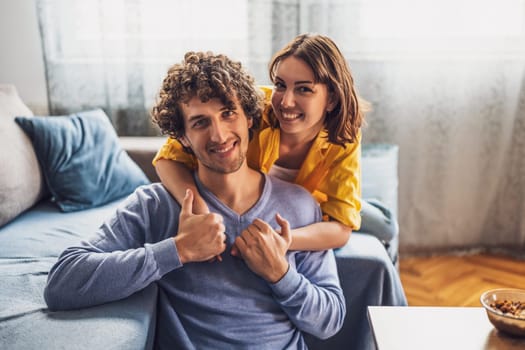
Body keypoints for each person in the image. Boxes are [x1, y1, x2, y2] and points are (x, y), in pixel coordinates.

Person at [44, 51, 345, 349]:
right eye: (200, 122)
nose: (219, 135)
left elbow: (330, 321)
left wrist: (280, 273)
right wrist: (177, 250)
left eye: (228, 113)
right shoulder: (155, 205)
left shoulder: (300, 205)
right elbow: (62, 284)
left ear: (250, 118)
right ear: (183, 137)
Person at [154, 33, 393, 254]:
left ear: (330, 99)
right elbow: (167, 159)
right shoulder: (249, 109)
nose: (286, 102)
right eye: (280, 85)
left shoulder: (342, 137)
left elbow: (341, 229)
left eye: (304, 89)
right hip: (269, 202)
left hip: (315, 200)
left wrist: (280, 239)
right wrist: (200, 207)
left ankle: (372, 207)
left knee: (385, 226)